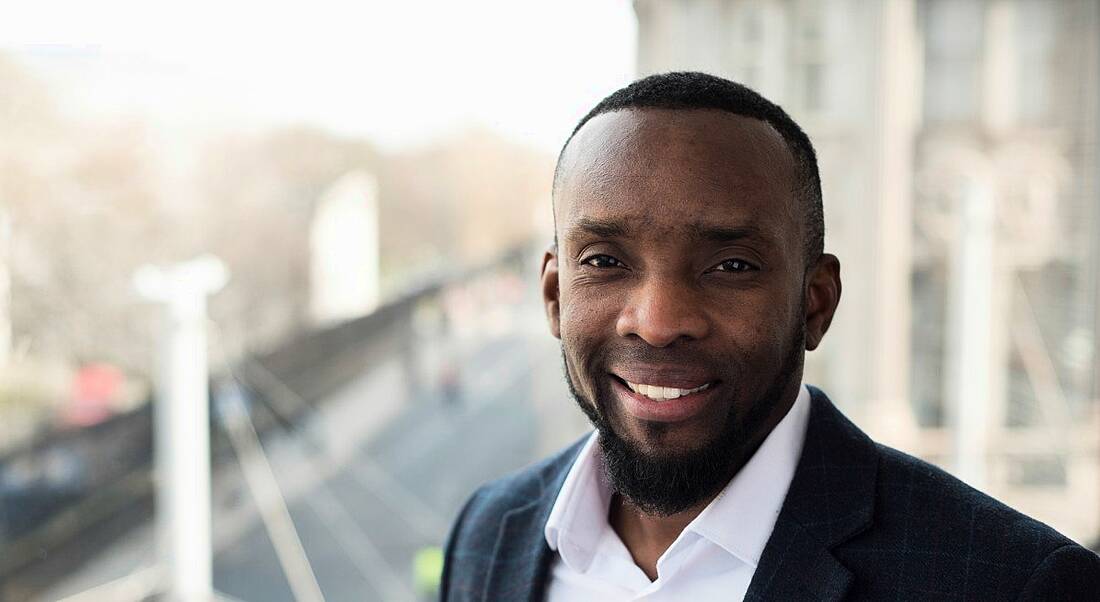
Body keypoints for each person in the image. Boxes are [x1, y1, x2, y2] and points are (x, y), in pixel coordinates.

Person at [439, 72, 1100, 601]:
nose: (660, 321)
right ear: (555, 295)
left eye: (731, 266)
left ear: (816, 303)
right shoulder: (490, 531)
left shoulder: (1014, 582)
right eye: (606, 261)